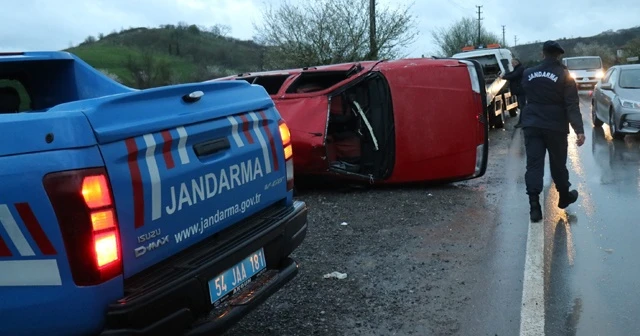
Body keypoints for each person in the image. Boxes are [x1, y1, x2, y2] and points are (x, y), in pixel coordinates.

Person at [519, 40, 585, 222]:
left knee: (533, 165)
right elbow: (571, 104)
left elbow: (525, 92)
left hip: (532, 123)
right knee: (558, 164)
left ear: (543, 54)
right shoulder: (564, 74)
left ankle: (534, 207)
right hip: (555, 125)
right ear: (559, 55)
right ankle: (564, 196)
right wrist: (579, 129)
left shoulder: (528, 73)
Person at [499, 58, 526, 127]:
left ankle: (522, 122)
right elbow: (512, 73)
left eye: (513, 63)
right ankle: (522, 122)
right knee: (522, 107)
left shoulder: (520, 69)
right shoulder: (518, 68)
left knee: (523, 107)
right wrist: (504, 75)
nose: (512, 64)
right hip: (520, 91)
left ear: (516, 63)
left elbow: (513, 75)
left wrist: (504, 77)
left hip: (520, 91)